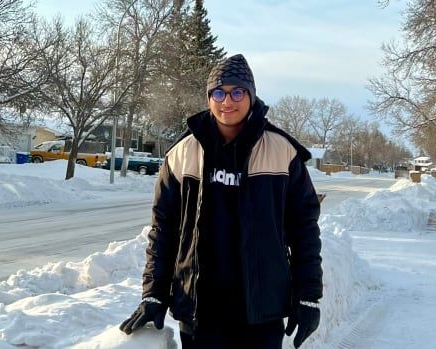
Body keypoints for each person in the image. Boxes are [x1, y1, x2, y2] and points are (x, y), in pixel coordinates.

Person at [119, 54, 323, 349]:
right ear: (209, 97)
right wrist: (154, 293)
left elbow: (304, 229)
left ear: (251, 95)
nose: (227, 101)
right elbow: (164, 231)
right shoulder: (182, 154)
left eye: (237, 91)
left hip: (261, 311)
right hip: (201, 310)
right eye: (219, 92)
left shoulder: (282, 152)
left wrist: (308, 295)